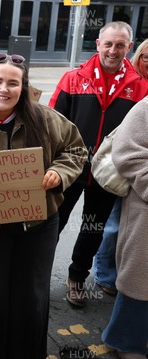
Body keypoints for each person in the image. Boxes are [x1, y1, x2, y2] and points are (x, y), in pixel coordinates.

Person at [0, 53, 87, 359]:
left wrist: (60, 172)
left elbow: (77, 150)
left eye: (13, 83)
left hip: (38, 224)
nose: (4, 89)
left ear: (23, 88)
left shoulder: (46, 117)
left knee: (30, 292)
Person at [49, 21, 148, 308]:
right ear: (98, 44)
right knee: (52, 222)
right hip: (69, 167)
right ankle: (36, 272)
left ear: (129, 47)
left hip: (110, 172)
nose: (113, 50)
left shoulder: (141, 87)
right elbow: (53, 123)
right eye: (108, 44)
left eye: (120, 45)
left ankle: (77, 277)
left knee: (93, 227)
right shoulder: (72, 78)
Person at [93, 38, 148, 297]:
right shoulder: (135, 84)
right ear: (136, 56)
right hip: (117, 169)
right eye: (145, 56)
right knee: (113, 224)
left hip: (128, 171)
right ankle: (105, 274)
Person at [101, 96, 148, 359]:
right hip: (146, 214)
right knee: (140, 282)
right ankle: (123, 341)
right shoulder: (145, 108)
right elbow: (127, 154)